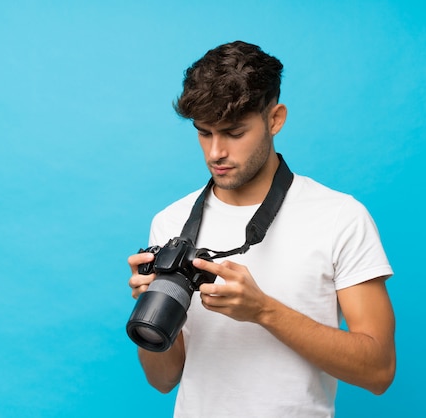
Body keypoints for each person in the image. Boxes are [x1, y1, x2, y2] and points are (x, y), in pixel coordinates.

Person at [128, 40, 395, 418]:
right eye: (204, 132)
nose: (215, 153)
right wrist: (150, 313)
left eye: (234, 133)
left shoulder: (340, 217)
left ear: (275, 119)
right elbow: (163, 380)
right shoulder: (171, 223)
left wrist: (264, 311)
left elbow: (379, 371)